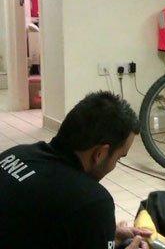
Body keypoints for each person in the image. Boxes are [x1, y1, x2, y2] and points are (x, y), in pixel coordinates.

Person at [0, 91, 151, 249]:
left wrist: (104, 233)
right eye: (119, 157)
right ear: (99, 154)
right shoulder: (92, 202)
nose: (115, 164)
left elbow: (34, 223)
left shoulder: (16, 154)